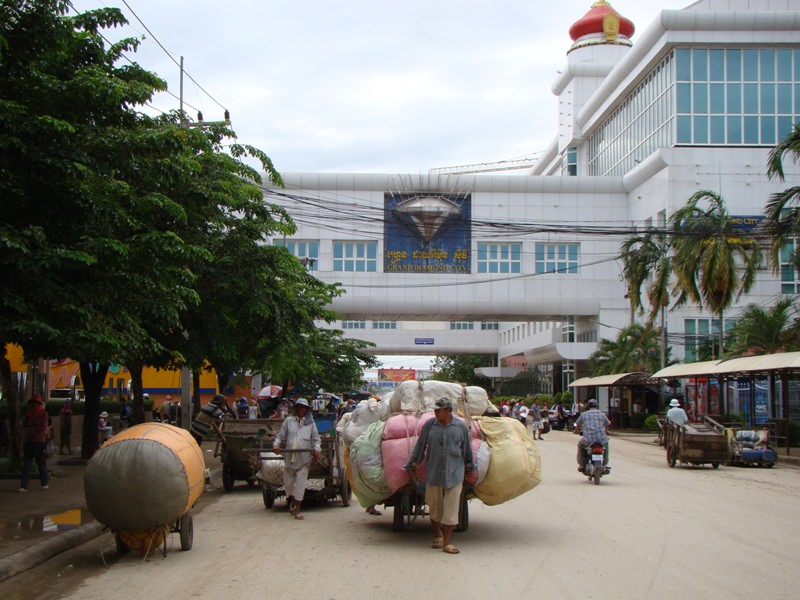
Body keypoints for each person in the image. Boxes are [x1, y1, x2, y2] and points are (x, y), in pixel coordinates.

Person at [405, 397, 474, 555]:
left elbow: (467, 450)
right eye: (435, 410)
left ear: (448, 410)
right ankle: (438, 534)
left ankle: (447, 543)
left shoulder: (460, 427)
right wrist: (412, 465)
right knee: (434, 508)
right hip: (434, 473)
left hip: (455, 473)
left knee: (451, 511)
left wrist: (469, 465)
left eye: (439, 410)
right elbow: (420, 447)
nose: (436, 412)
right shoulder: (429, 426)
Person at [272, 398, 321, 520]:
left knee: (300, 484)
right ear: (296, 409)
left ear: (306, 410)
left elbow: (316, 439)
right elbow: (280, 436)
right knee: (288, 484)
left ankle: (297, 509)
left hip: (304, 459)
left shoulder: (311, 424)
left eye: (303, 407)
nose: (301, 409)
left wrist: (317, 449)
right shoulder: (288, 421)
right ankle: (293, 501)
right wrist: (276, 445)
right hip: (289, 458)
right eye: (299, 407)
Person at [19, 394, 50, 492]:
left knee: (28, 464)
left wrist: (28, 431)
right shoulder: (42, 414)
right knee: (40, 463)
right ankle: (44, 483)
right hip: (39, 441)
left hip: (30, 441)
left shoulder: (28, 415)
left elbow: (23, 427)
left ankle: (24, 486)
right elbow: (43, 428)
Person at [573, 399, 610, 470]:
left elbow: (578, 424)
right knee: (605, 447)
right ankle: (604, 464)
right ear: (597, 406)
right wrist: (606, 431)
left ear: (588, 406)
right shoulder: (602, 414)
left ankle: (582, 464)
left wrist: (576, 431)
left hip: (588, 440)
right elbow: (607, 424)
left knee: (580, 445)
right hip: (601, 440)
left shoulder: (584, 414)